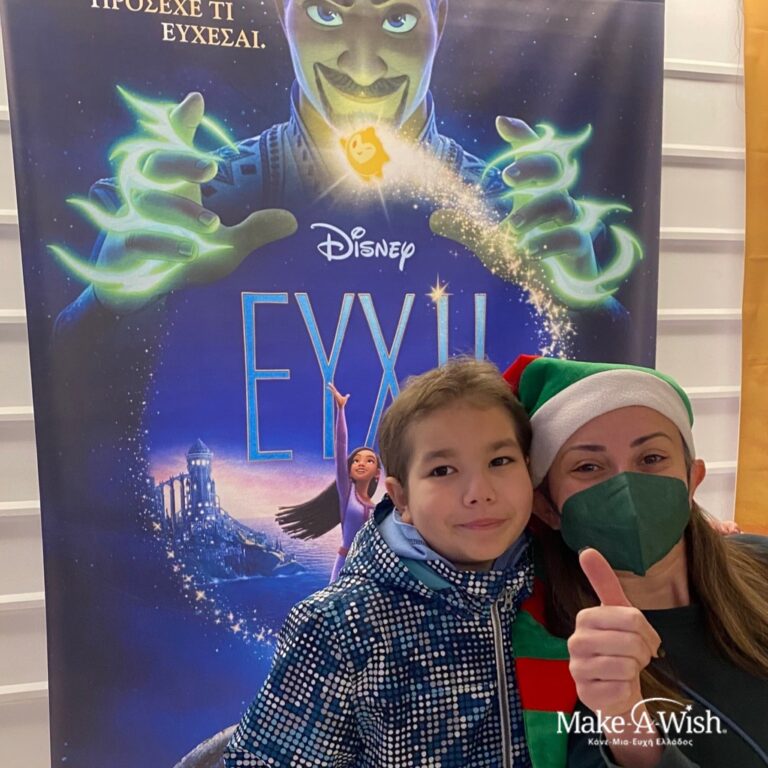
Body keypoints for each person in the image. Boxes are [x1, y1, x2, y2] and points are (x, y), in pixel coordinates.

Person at [223, 358, 578, 768]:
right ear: (401, 496)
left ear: (529, 470)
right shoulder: (337, 624)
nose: (479, 492)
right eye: (443, 470)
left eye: (499, 461)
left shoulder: (563, 583)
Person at [503, 354, 768, 768]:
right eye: (588, 466)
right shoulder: (552, 653)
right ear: (548, 508)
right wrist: (625, 721)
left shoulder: (761, 564)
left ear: (692, 479)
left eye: (651, 459)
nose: (626, 487)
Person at [277, 382, 381, 582]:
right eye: (356, 460)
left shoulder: (377, 508)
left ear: (377, 473)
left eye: (369, 460)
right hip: (345, 564)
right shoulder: (347, 493)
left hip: (368, 568)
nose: (361, 463)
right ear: (349, 469)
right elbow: (341, 446)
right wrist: (340, 410)